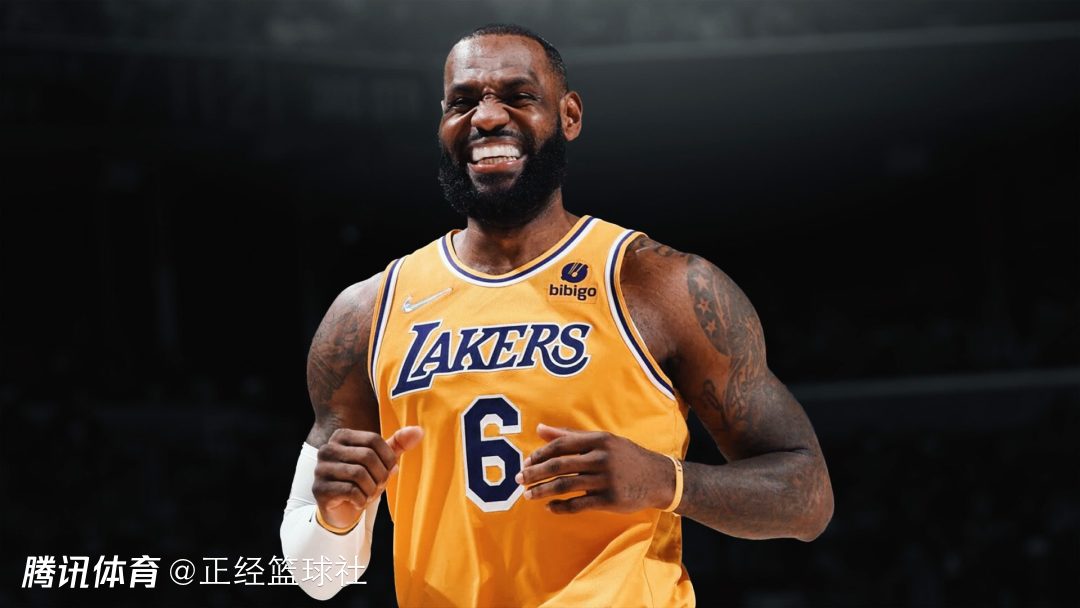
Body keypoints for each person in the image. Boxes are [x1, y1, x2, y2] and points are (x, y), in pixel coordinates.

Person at [281, 23, 833, 606]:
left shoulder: (659, 285)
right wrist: (336, 518)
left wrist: (666, 482)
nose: (486, 117)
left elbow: (808, 497)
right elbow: (319, 577)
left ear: (569, 115)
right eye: (462, 102)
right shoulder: (367, 311)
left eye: (518, 96)